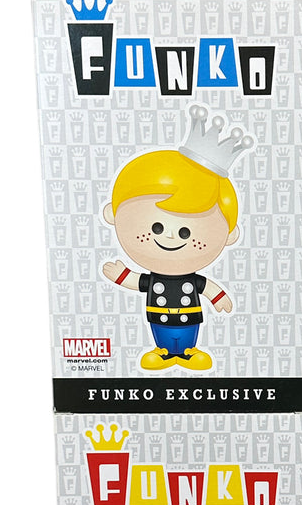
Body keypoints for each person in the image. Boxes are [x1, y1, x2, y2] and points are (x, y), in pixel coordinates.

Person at [101, 105, 252, 370]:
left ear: (229, 234)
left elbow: (205, 287)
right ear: (113, 214)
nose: (171, 236)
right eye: (157, 227)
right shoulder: (153, 280)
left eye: (185, 232)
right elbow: (138, 282)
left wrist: (218, 297)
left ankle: (189, 351)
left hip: (188, 320)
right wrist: (121, 276)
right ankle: (161, 351)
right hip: (159, 319)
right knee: (161, 336)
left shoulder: (193, 281)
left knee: (187, 338)